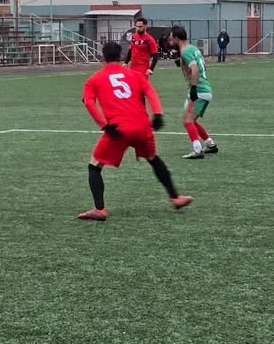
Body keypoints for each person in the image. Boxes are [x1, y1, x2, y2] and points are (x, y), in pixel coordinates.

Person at [77, 41, 193, 221]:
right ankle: (176, 198)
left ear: (103, 58)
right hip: (142, 126)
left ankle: (99, 209)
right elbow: (150, 92)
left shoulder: (94, 79)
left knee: (94, 166)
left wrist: (104, 125)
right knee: (154, 159)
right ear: (121, 57)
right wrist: (158, 114)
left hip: (118, 129)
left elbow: (89, 102)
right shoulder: (135, 75)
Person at [168, 26, 218, 159]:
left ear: (177, 38)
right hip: (204, 89)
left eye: (171, 37)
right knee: (192, 120)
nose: (169, 40)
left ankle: (197, 150)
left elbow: (195, 68)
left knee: (187, 120)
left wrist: (195, 88)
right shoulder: (192, 48)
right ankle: (210, 144)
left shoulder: (186, 51)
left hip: (199, 90)